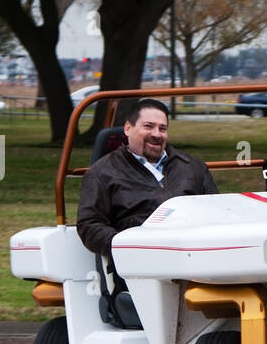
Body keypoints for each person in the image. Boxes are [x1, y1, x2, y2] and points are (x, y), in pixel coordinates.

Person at [77, 98, 218, 256]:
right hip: (139, 264)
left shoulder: (193, 167)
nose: (156, 134)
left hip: (196, 256)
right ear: (128, 128)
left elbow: (216, 212)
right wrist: (126, 246)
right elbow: (89, 225)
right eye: (148, 126)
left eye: (162, 128)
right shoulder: (102, 173)